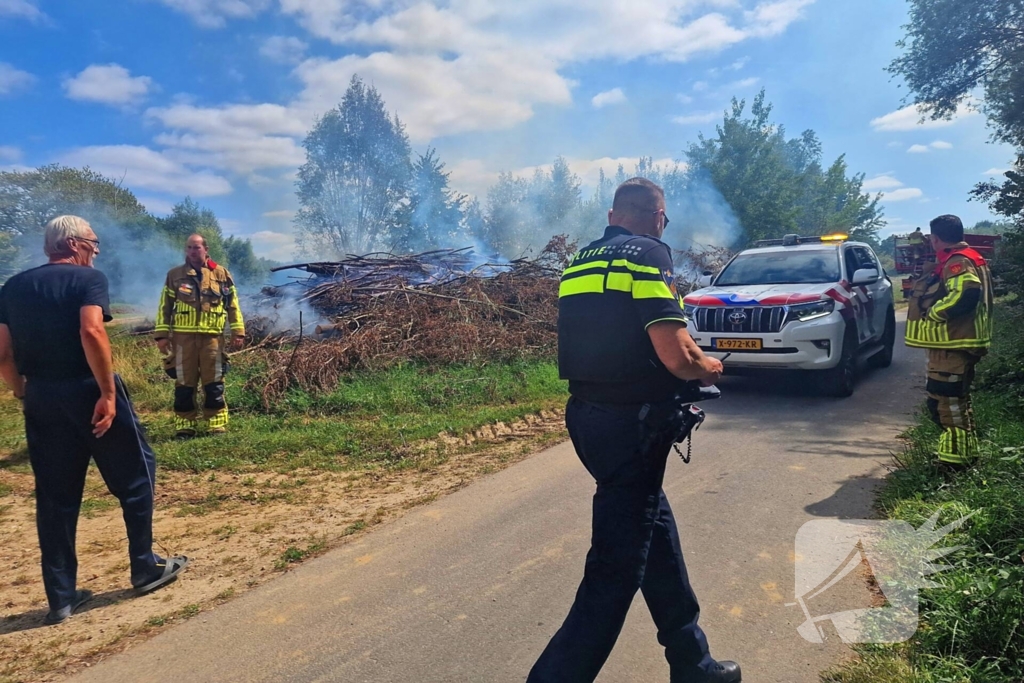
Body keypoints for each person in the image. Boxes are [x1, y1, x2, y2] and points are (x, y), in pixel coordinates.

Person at [527, 179, 740, 683]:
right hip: (633, 425)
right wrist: (707, 367)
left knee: (653, 531)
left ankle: (694, 663)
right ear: (657, 216)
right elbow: (676, 353)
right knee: (614, 568)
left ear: (612, 215)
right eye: (663, 219)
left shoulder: (579, 260)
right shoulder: (648, 254)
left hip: (587, 415)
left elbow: (617, 335)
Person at [0, 216, 189, 625]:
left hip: (42, 396)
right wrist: (106, 393)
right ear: (73, 243)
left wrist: (22, 391)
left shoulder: (12, 287)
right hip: (88, 389)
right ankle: (144, 567)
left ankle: (61, 597)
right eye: (93, 241)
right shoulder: (87, 279)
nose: (97, 250)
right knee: (136, 474)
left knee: (55, 497)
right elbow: (92, 332)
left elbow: (2, 353)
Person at [905, 214, 994, 467]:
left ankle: (955, 465)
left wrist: (934, 313)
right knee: (953, 402)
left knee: (946, 405)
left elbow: (966, 293)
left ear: (935, 239)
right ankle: (963, 455)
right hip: (956, 343)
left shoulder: (957, 262)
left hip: (954, 344)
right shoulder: (966, 257)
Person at [154, 234, 244, 439]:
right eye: (189, 248)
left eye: (196, 247)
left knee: (214, 382)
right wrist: (161, 336)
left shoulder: (221, 274)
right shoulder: (175, 275)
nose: (192, 252)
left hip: (213, 339)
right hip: (183, 340)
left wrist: (238, 332)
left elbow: (232, 305)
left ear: (206, 249)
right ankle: (185, 426)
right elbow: (164, 306)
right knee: (184, 383)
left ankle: (216, 424)